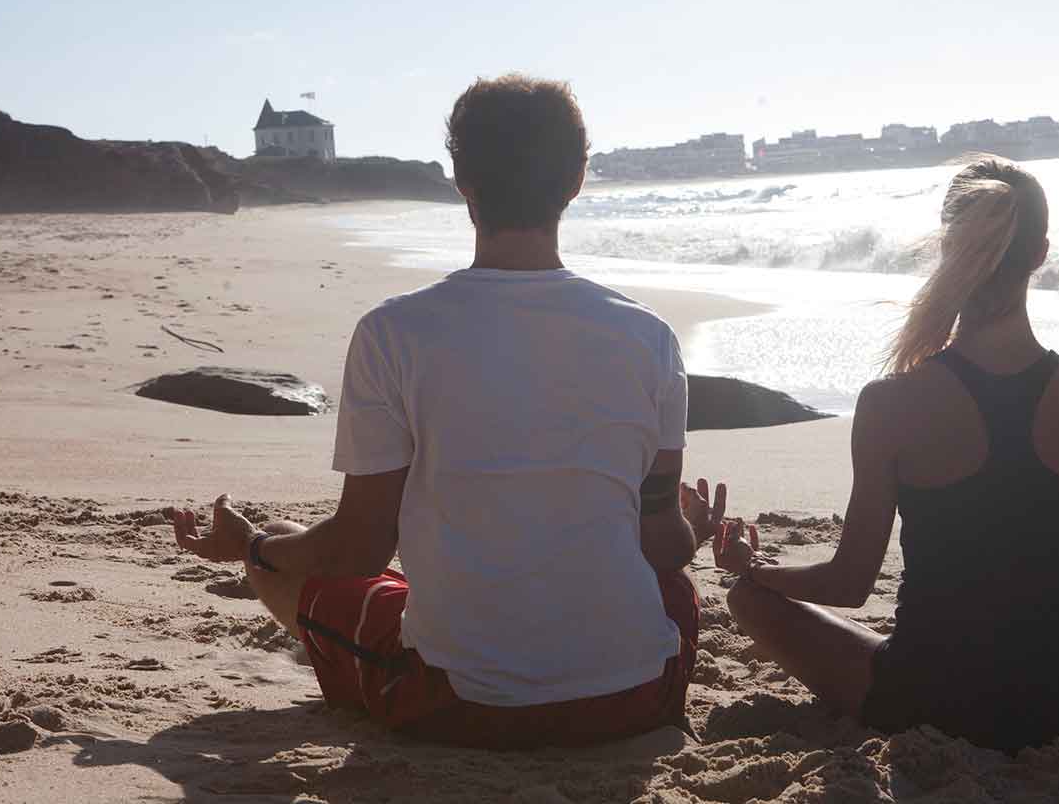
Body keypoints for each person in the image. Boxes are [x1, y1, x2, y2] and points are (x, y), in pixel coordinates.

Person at [170, 74, 730, 749]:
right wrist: (691, 529)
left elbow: (359, 546)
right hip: (631, 700)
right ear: (578, 177)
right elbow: (657, 543)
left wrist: (253, 546)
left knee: (291, 553)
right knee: (669, 589)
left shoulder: (395, 333)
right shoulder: (650, 338)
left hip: (458, 706)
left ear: (460, 177)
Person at [715, 155, 1059, 754]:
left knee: (747, 601)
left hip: (927, 704)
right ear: (1041, 253)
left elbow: (850, 582)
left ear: (948, 247)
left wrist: (756, 572)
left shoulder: (890, 402)